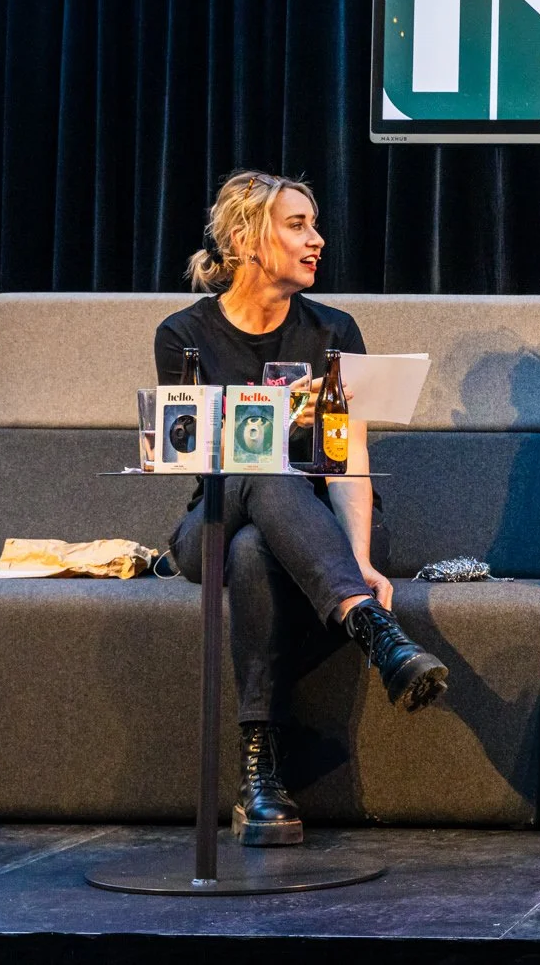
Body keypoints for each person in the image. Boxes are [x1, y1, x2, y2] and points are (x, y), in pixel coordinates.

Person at [158, 170, 449, 848]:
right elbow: (185, 451)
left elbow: (346, 459)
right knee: (258, 468)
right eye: (297, 225)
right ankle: (374, 630)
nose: (317, 240)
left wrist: (359, 559)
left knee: (259, 550)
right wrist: (275, 417)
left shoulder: (334, 330)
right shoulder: (185, 335)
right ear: (244, 239)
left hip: (292, 539)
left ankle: (259, 780)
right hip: (208, 525)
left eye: (315, 225)